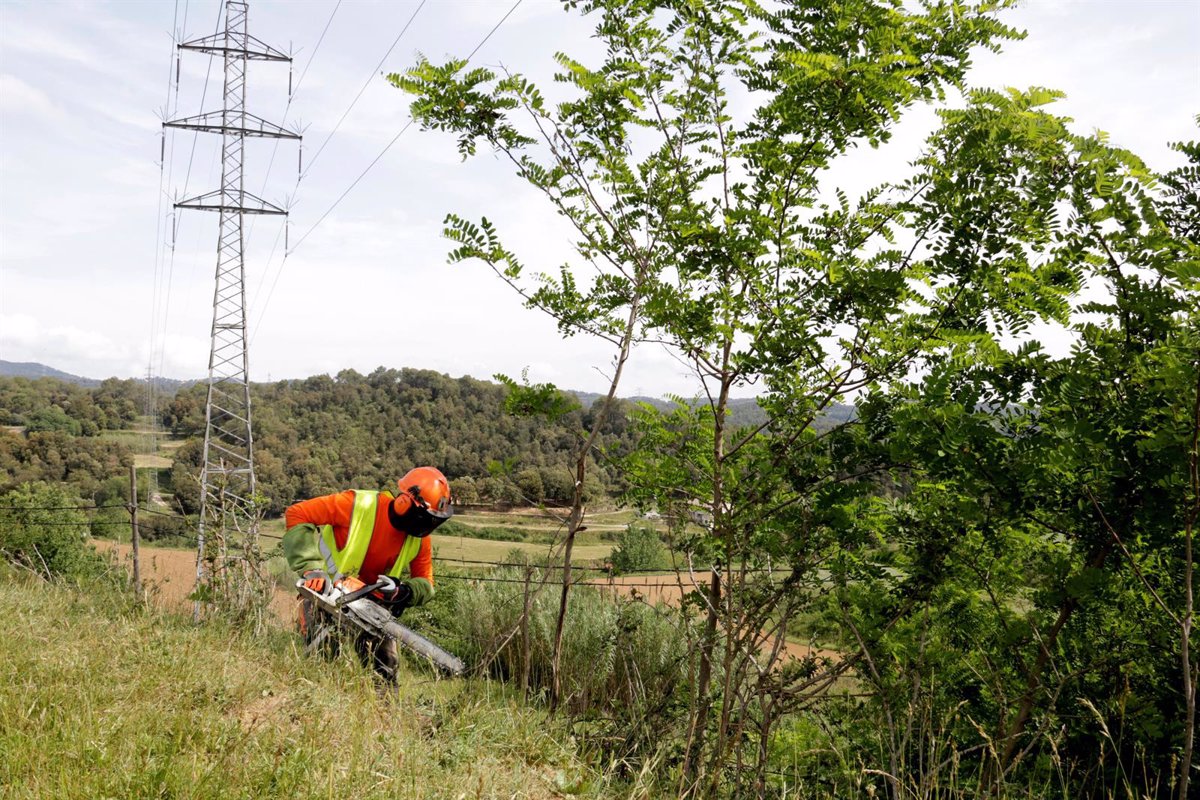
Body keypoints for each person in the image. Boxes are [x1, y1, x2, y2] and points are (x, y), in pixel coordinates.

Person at [282, 466, 453, 676]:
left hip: (372, 607)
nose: (427, 526)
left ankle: (383, 707)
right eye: (425, 517)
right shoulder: (357, 505)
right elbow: (298, 513)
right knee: (320, 663)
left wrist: (402, 591)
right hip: (326, 595)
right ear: (404, 503)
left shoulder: (419, 539)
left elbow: (426, 584)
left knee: (385, 671)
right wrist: (311, 568)